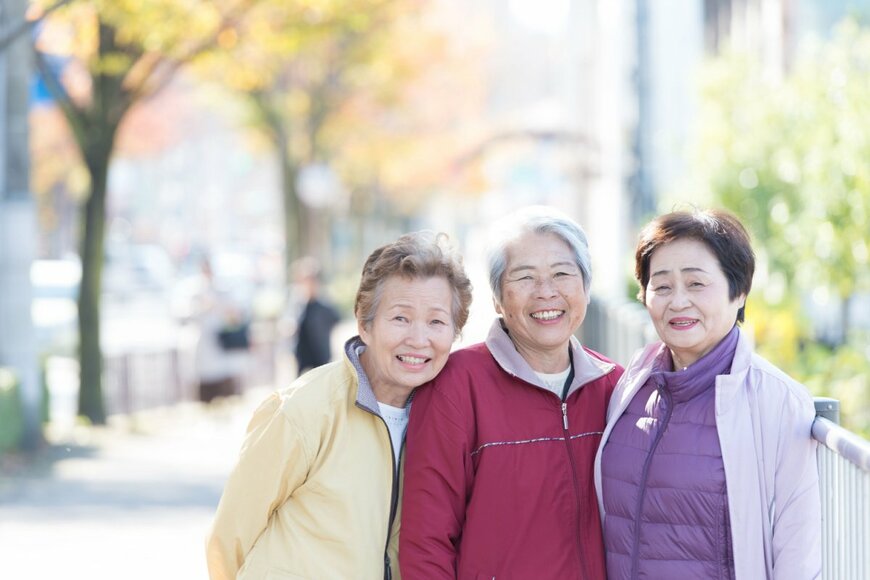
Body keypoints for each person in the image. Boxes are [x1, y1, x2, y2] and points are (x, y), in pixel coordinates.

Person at [206, 231, 473, 580]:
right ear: (365, 324)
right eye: (400, 318)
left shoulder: (447, 421)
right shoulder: (302, 410)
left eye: (436, 321)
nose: (418, 339)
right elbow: (229, 539)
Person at [594, 209, 821, 579]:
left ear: (739, 291)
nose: (678, 301)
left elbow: (798, 553)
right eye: (662, 286)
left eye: (696, 284)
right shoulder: (633, 382)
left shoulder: (776, 400)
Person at [400, 206, 624, 579]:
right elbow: (426, 542)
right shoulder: (455, 386)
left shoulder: (616, 386)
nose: (546, 292)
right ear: (498, 300)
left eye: (562, 274)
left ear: (585, 288)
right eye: (524, 277)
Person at [291, 256, 340, 375]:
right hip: (302, 356)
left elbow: (335, 319)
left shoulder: (324, 305)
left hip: (320, 356)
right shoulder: (297, 304)